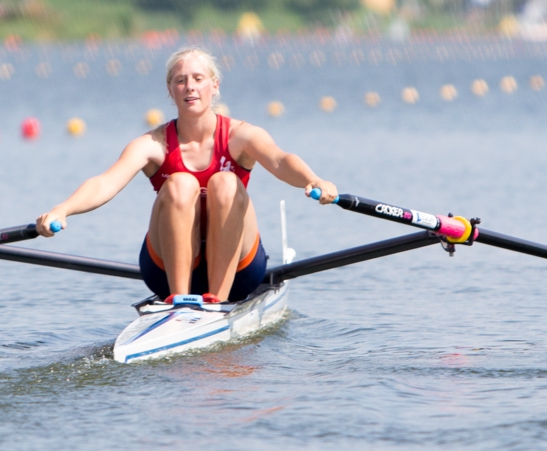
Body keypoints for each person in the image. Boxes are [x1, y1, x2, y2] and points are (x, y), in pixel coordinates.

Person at [36, 46, 338, 303]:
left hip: (240, 271)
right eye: (180, 81)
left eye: (198, 79)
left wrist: (314, 180)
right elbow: (106, 182)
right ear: (171, 91)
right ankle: (179, 303)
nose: (189, 87)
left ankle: (217, 301)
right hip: (164, 272)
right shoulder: (153, 144)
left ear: (214, 86)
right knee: (180, 183)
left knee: (225, 182)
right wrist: (63, 209)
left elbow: (280, 160)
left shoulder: (241, 136)